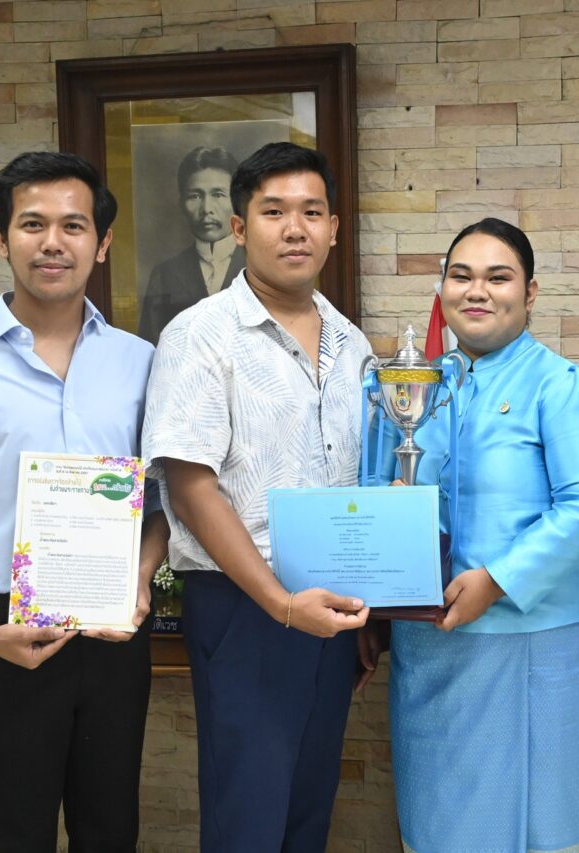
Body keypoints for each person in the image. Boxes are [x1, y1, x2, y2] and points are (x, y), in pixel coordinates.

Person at [0, 151, 169, 852]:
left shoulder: (143, 363)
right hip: (7, 633)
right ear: (1, 238)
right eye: (33, 223)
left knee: (111, 828)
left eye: (74, 225)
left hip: (115, 637)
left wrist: (139, 581)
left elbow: (165, 497)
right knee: (13, 832)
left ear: (102, 243)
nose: (54, 242)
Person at [140, 142, 371, 851]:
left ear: (334, 227)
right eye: (273, 211)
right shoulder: (201, 335)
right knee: (248, 813)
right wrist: (278, 601)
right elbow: (189, 481)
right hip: (247, 610)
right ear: (240, 227)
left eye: (310, 212)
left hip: (330, 609)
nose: (294, 228)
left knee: (307, 806)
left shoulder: (352, 343)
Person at [375, 218, 579, 852]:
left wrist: (497, 580)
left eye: (498, 277)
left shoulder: (565, 387)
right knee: (446, 816)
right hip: (432, 641)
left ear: (531, 292)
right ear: (441, 289)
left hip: (545, 640)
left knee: (552, 818)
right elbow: (383, 499)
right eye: (460, 276)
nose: (477, 291)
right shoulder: (411, 389)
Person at [138, 146, 246, 345]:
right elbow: (151, 348)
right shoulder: (165, 274)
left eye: (218, 194)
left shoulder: (259, 265)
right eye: (195, 196)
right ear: (181, 203)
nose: (206, 209)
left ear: (237, 200)